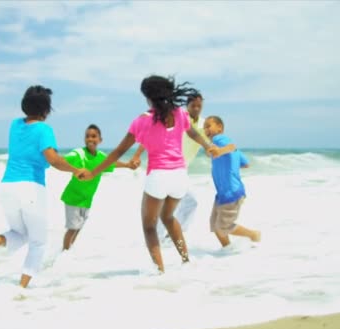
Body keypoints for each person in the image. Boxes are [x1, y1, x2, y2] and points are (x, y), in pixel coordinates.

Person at [79, 75, 234, 273]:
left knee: (149, 225)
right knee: (168, 217)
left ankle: (159, 270)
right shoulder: (179, 113)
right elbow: (193, 133)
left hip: (158, 177)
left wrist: (93, 172)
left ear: (148, 97)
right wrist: (208, 145)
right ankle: (186, 260)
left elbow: (118, 151)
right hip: (179, 176)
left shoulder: (142, 121)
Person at [0, 85, 85, 288]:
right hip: (31, 189)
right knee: (38, 242)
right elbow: (53, 159)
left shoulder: (14, 125)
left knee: (20, 234)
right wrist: (75, 170)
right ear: (46, 110)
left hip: (7, 187)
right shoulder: (44, 130)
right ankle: (22, 289)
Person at [130, 92, 206, 237]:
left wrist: (214, 149)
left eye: (199, 106)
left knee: (191, 203)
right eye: (193, 105)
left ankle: (173, 235)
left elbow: (211, 136)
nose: (196, 108)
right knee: (163, 205)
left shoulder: (203, 124)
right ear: (187, 105)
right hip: (163, 169)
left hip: (180, 172)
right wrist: (137, 155)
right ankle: (157, 238)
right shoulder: (177, 117)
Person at [61, 124, 136, 251]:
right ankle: (64, 252)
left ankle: (68, 251)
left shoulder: (101, 156)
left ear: (100, 140)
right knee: (73, 228)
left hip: (87, 199)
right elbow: (61, 161)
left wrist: (127, 165)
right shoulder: (78, 154)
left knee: (78, 227)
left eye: (94, 136)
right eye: (87, 136)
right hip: (73, 197)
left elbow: (112, 163)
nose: (90, 139)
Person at [203, 115, 261, 247]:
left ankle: (253, 235)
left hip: (231, 192)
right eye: (204, 127)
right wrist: (229, 163)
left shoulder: (219, 139)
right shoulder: (220, 145)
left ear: (219, 127)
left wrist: (220, 150)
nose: (206, 129)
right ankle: (228, 251)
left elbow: (232, 146)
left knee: (223, 227)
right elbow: (246, 164)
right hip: (223, 194)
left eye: (208, 126)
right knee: (215, 226)